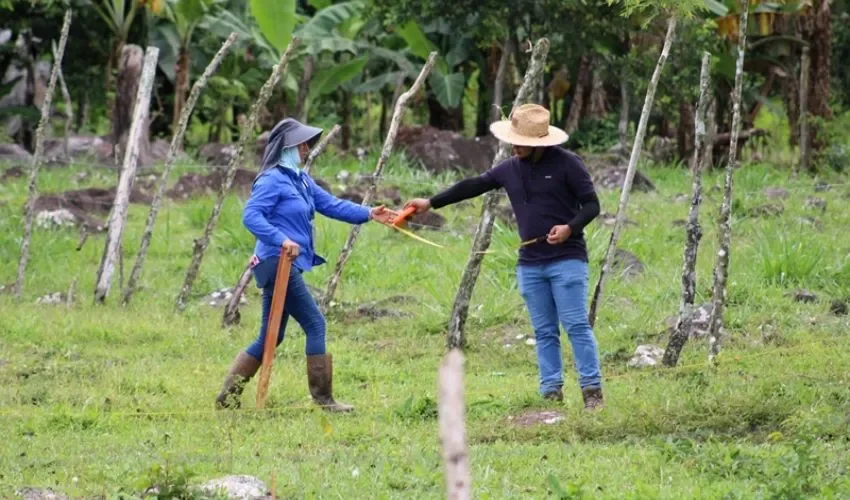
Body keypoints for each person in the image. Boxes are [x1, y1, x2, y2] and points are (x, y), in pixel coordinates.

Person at [403, 104, 604, 409]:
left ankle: (592, 393)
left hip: (567, 259)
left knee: (575, 325)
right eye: (514, 139)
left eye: (522, 141)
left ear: (540, 142)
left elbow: (592, 205)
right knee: (544, 330)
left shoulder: (568, 164)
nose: (515, 145)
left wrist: (569, 228)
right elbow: (473, 186)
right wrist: (430, 202)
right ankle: (551, 392)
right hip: (530, 264)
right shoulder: (509, 168)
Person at [215, 118, 396, 412]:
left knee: (272, 336)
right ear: (285, 147)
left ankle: (227, 398)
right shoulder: (271, 179)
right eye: (301, 144)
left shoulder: (300, 179)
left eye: (307, 143)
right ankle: (324, 400)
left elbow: (332, 205)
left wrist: (369, 213)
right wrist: (281, 239)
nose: (306, 148)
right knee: (315, 324)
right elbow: (251, 216)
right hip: (276, 262)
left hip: (288, 264)